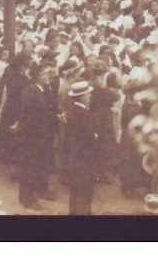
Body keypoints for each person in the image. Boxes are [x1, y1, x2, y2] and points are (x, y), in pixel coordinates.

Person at [16, 62, 57, 210]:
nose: (49, 76)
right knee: (29, 168)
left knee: (37, 166)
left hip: (41, 136)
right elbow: (28, 116)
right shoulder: (29, 91)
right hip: (32, 137)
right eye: (46, 74)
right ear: (37, 76)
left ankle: (35, 193)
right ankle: (27, 199)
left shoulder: (42, 89)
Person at [62, 80, 97, 215]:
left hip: (75, 155)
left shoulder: (74, 110)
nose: (90, 97)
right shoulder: (81, 113)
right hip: (84, 156)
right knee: (84, 187)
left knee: (76, 188)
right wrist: (95, 136)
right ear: (81, 96)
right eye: (88, 94)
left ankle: (75, 212)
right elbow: (88, 136)